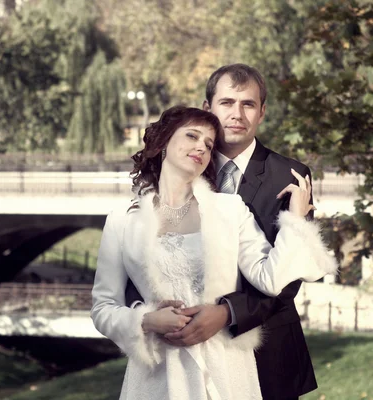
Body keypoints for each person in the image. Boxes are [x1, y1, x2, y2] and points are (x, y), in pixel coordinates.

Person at [91, 105, 337, 399]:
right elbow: (102, 307)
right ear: (164, 143)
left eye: (208, 144)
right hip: (157, 375)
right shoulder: (121, 220)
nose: (201, 147)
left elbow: (270, 280)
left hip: (226, 370)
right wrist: (146, 320)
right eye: (192, 136)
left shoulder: (229, 209)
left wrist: (295, 220)